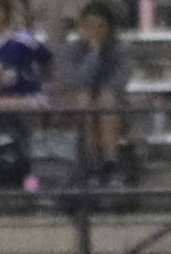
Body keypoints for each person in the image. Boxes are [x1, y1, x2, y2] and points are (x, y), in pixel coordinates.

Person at [57, 0, 128, 188]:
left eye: (100, 26)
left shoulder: (120, 50)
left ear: (110, 28)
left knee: (107, 98)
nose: (94, 31)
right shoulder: (71, 51)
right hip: (79, 106)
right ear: (81, 27)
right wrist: (94, 53)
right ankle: (92, 163)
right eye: (89, 26)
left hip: (113, 107)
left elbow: (118, 83)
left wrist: (98, 52)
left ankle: (110, 164)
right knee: (84, 98)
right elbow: (77, 81)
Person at [0, 0, 51, 192]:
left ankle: (33, 182)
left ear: (5, 12)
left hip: (27, 98)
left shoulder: (23, 40)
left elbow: (49, 62)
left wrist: (51, 87)